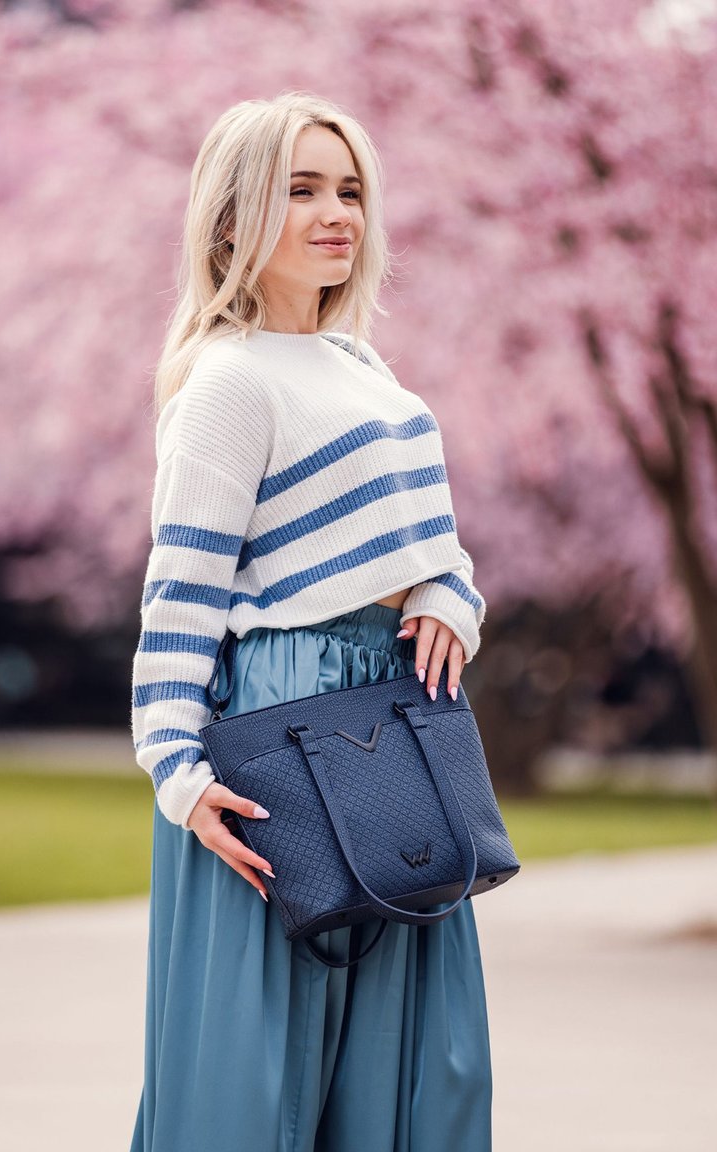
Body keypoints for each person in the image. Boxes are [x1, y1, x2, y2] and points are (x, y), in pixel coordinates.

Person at [129, 91, 491, 1152]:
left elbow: (437, 552)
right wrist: (176, 770)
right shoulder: (229, 381)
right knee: (260, 1065)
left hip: (399, 715)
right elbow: (181, 594)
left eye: (347, 190)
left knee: (420, 1054)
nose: (337, 213)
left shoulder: (362, 367)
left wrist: (444, 597)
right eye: (300, 190)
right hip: (281, 721)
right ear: (234, 218)